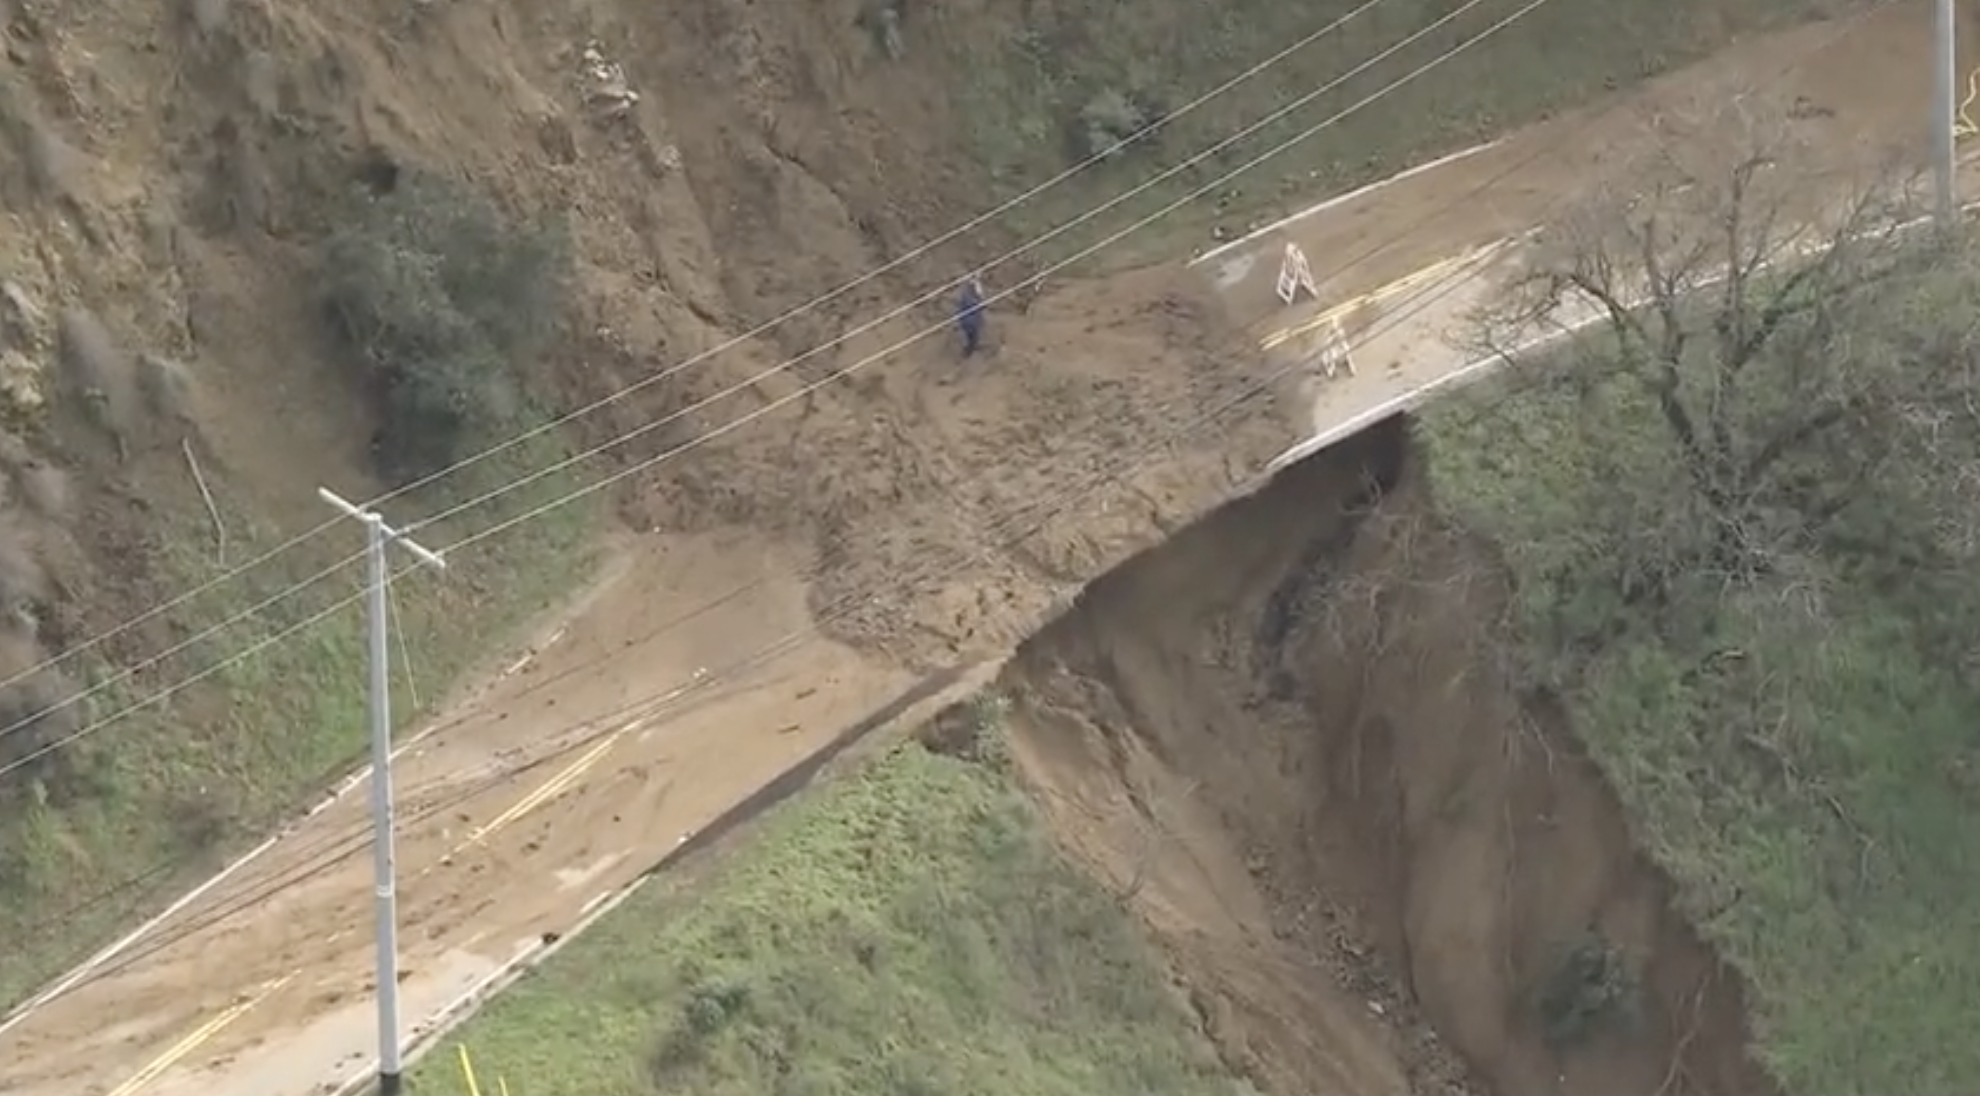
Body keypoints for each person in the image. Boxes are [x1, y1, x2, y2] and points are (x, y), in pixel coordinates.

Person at [954, 276, 986, 358]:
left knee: (973, 337)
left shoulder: (969, 294)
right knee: (970, 336)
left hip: (972, 320)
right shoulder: (966, 295)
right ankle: (968, 351)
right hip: (968, 320)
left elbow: (981, 306)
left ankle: (970, 349)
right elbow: (975, 305)